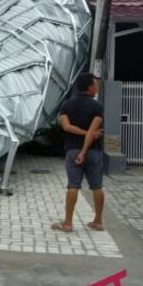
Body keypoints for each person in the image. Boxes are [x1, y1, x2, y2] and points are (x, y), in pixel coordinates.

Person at [51, 73, 105, 233]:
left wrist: (81, 148)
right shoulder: (97, 107)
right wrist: (88, 138)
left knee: (73, 186)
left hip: (72, 150)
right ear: (89, 86)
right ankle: (98, 221)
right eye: (95, 84)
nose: (97, 86)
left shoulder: (67, 105)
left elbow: (66, 127)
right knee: (97, 186)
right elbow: (92, 132)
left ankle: (67, 223)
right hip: (94, 151)